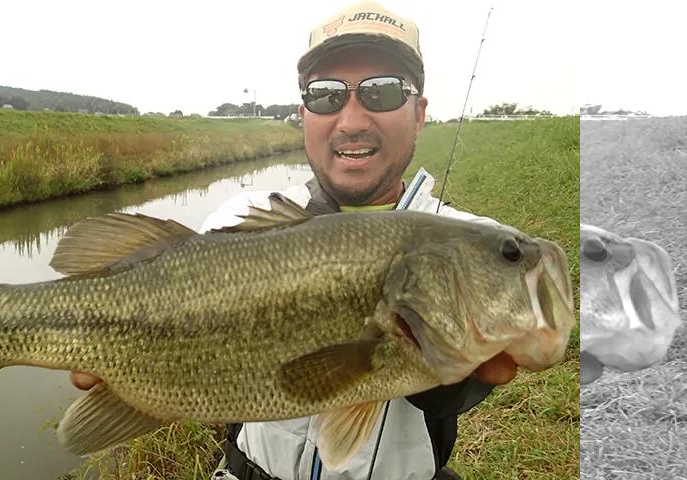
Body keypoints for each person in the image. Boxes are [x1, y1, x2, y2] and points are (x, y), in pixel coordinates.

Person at [72, 1, 518, 478]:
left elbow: (477, 375)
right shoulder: (238, 218)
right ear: (304, 112)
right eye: (326, 95)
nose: (351, 121)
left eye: (382, 92)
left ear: (419, 112)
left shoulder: (478, 247)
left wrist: (447, 373)